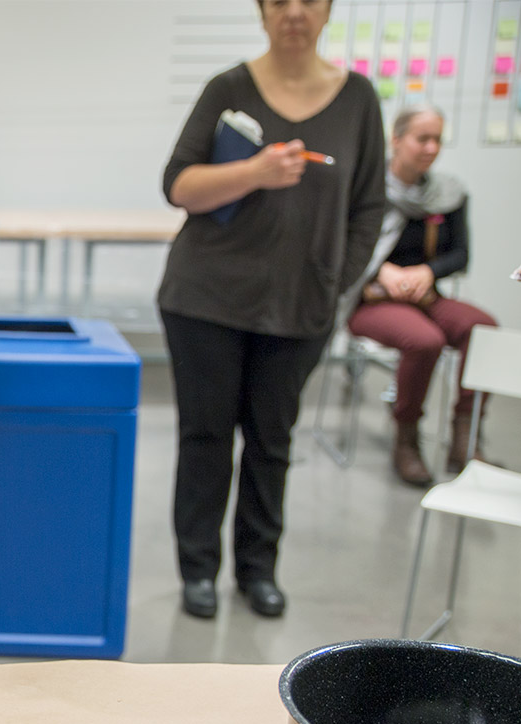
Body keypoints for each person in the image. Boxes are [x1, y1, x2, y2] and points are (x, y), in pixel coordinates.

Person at [157, 0, 385, 620]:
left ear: (328, 11)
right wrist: (255, 170)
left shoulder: (358, 99)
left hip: (300, 306)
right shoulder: (228, 88)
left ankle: (258, 570)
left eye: (309, 0)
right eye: (280, 1)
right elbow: (178, 185)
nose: (294, 12)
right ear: (262, 12)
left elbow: (369, 207)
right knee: (205, 437)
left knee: (271, 440)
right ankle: (198, 570)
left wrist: (336, 281)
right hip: (206, 299)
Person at [344, 105, 496, 486]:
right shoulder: (364, 188)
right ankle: (406, 438)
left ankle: (465, 436)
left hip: (425, 294)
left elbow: (460, 255)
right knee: (425, 341)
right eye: (422, 138)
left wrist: (427, 272)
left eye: (437, 140)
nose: (431, 148)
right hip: (371, 298)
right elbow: (342, 246)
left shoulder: (448, 193)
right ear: (396, 140)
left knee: (483, 328)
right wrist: (382, 270)